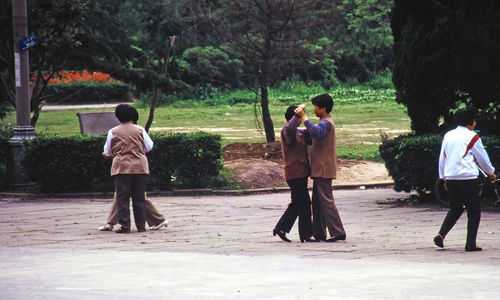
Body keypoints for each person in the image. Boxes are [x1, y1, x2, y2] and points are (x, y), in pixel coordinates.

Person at [434, 108, 496, 251]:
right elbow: (482, 157)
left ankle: (440, 235)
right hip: (467, 177)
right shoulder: (472, 136)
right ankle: (470, 244)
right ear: (471, 121)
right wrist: (491, 172)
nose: (475, 123)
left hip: (451, 177)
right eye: (474, 120)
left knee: (455, 208)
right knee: (474, 210)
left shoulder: (448, 135)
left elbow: (442, 158)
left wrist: (443, 177)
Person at [99, 108, 167, 232]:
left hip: (121, 167)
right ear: (133, 118)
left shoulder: (113, 131)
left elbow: (107, 150)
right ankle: (141, 226)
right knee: (139, 197)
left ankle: (125, 226)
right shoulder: (140, 129)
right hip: (140, 167)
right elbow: (149, 146)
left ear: (118, 118)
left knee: (122, 198)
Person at [295, 94, 346, 242]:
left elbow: (315, 132)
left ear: (323, 108)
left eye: (316, 106)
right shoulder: (323, 122)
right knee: (317, 202)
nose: (314, 109)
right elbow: (311, 134)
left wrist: (304, 117)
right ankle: (319, 233)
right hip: (320, 168)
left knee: (326, 201)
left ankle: (338, 232)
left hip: (323, 168)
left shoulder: (326, 123)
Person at [273, 105, 315, 243]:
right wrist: (298, 113)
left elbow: (311, 133)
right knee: (304, 204)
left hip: (300, 172)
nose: (300, 120)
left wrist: (304, 118)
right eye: (298, 117)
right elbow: (291, 128)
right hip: (294, 173)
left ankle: (282, 228)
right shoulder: (287, 130)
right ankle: (306, 234)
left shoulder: (298, 132)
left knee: (298, 203)